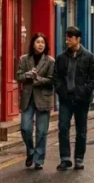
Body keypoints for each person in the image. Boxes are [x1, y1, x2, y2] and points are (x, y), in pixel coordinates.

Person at [53, 26, 94, 171]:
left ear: (78, 39)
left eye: (70, 38)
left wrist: (85, 91)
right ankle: (65, 159)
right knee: (63, 128)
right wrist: (62, 91)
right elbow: (56, 77)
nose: (67, 41)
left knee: (81, 130)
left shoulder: (89, 57)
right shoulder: (61, 58)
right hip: (66, 99)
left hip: (82, 100)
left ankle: (79, 159)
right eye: (66, 38)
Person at [18, 33, 55, 170]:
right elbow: (18, 76)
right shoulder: (24, 59)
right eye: (38, 42)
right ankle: (31, 152)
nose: (40, 44)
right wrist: (27, 75)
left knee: (41, 132)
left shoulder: (50, 61)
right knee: (25, 128)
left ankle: (39, 159)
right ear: (33, 43)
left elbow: (52, 80)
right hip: (28, 98)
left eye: (43, 43)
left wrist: (38, 78)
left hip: (43, 98)